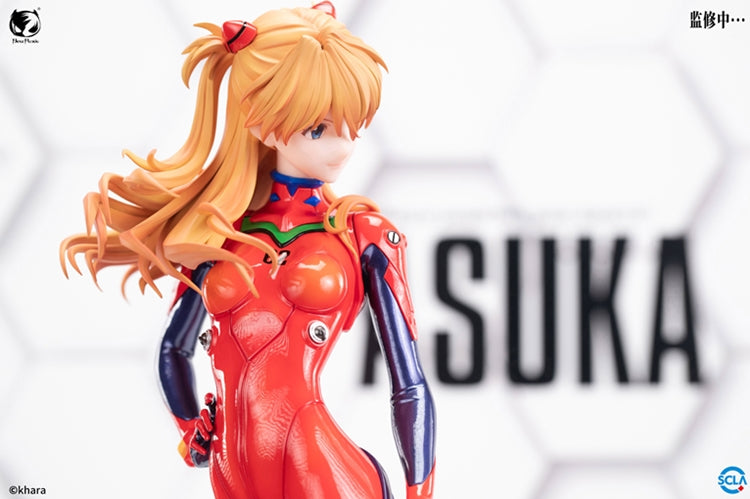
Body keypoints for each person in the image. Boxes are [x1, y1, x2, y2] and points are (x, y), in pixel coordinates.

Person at [60, 3, 435, 498]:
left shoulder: (362, 234)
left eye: (354, 126)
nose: (343, 147)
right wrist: (190, 430)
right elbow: (173, 349)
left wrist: (420, 491)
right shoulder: (219, 230)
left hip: (318, 469)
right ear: (260, 124)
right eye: (319, 128)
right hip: (231, 471)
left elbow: (409, 384)